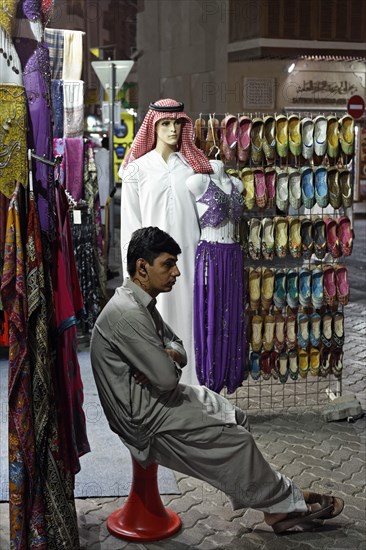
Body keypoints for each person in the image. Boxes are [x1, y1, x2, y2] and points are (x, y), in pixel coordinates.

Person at [90, 226, 344, 535]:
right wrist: (166, 358)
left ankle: (269, 499)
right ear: (142, 267)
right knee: (237, 440)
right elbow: (168, 378)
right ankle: (284, 502)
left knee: (234, 415)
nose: (177, 272)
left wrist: (165, 354)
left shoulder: (138, 302)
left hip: (152, 398)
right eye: (168, 264)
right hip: (143, 418)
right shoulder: (129, 312)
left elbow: (177, 346)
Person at [118, 98, 213, 385]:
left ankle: (196, 390)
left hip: (190, 262)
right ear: (154, 127)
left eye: (177, 123)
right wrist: (132, 275)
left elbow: (206, 220)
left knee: (193, 322)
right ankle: (161, 390)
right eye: (165, 124)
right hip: (150, 265)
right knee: (154, 327)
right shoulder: (137, 170)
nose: (173, 129)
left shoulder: (193, 169)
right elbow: (130, 225)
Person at [186, 160, 246, 393]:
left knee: (231, 314)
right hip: (210, 254)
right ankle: (209, 378)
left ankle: (228, 374)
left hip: (233, 255)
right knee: (211, 312)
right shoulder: (198, 181)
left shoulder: (237, 184)